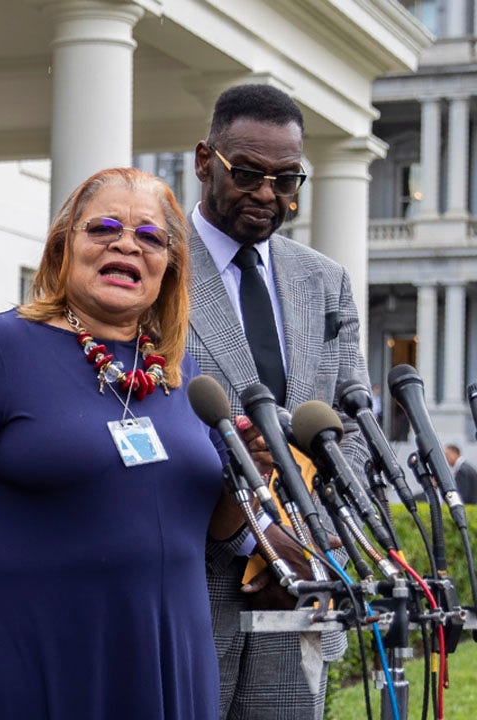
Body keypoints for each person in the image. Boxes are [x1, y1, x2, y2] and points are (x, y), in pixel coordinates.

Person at [0, 167, 255, 720]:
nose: (126, 245)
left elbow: (216, 527)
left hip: (164, 657)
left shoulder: (183, 372)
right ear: (64, 247)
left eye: (151, 237)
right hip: (28, 657)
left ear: (170, 267)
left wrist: (248, 473)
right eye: (103, 228)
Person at [186, 83, 371, 720]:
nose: (269, 194)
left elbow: (349, 429)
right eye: (248, 173)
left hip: (304, 584)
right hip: (192, 582)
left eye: (288, 177)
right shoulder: (156, 270)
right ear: (205, 161)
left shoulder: (326, 280)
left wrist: (313, 541)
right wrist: (257, 538)